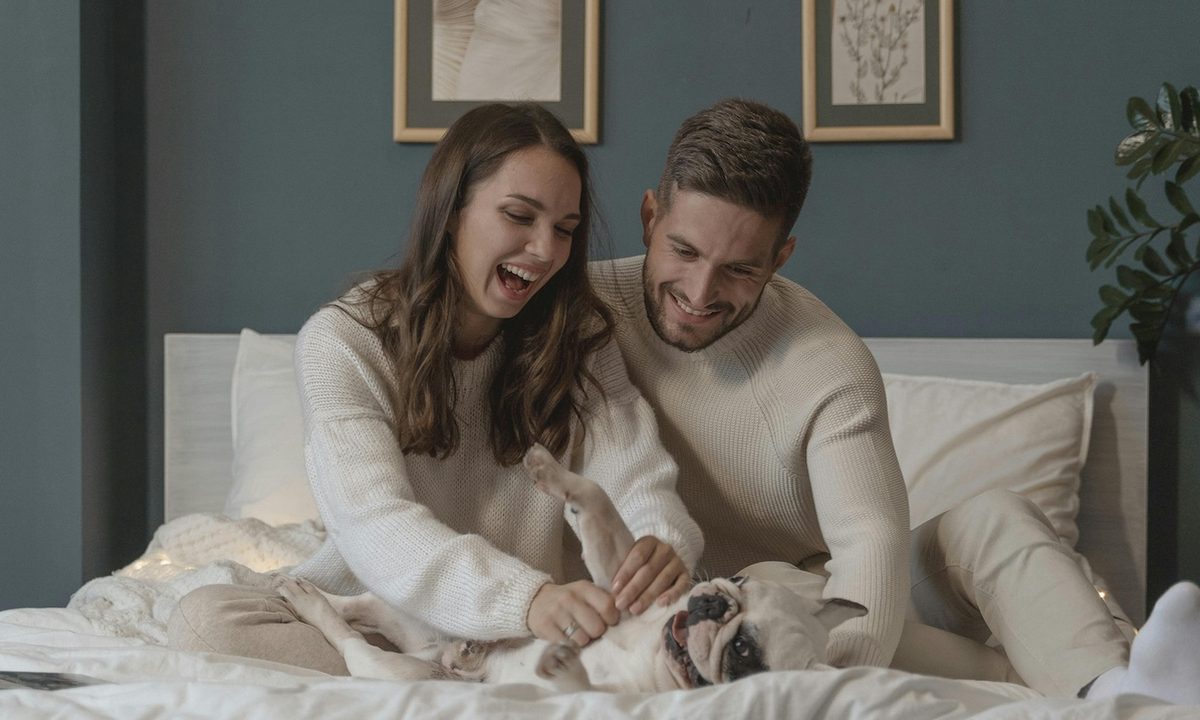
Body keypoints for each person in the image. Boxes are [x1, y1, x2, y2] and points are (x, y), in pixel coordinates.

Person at [590, 97, 1200, 704]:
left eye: (740, 270)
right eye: (685, 251)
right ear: (649, 217)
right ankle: (1119, 693)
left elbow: (868, 553)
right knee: (772, 583)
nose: (700, 292)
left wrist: (826, 682)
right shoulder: (579, 313)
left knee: (994, 517)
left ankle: (1119, 689)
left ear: (781, 258)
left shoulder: (829, 362)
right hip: (720, 616)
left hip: (827, 602)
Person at [168, 103, 702, 674]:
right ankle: (453, 680)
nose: (546, 250)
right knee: (205, 620)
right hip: (397, 616)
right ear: (451, 212)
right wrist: (524, 599)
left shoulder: (579, 339)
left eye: (565, 230)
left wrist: (659, 545)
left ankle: (446, 683)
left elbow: (634, 473)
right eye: (519, 216)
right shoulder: (343, 342)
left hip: (537, 627)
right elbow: (375, 522)